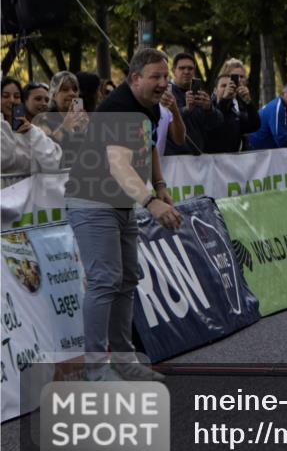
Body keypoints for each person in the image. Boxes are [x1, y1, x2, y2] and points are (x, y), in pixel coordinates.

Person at [64, 48, 183, 381]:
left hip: (120, 203)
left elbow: (148, 150)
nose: (163, 83)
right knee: (104, 281)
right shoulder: (118, 108)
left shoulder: (151, 108)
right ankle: (96, 370)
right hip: (91, 201)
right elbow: (118, 165)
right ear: (135, 79)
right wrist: (151, 203)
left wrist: (160, 185)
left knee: (127, 278)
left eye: (165, 77)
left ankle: (124, 358)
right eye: (155, 77)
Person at [1, 77, 63, 187]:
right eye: (5, 96)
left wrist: (31, 132)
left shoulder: (32, 131)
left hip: (32, 199)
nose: (11, 100)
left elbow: (53, 163)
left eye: (16, 96)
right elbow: (5, 158)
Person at [165, 52, 223, 155]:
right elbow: (165, 120)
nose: (186, 72)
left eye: (190, 68)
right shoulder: (166, 92)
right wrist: (186, 109)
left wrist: (209, 109)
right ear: (174, 71)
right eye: (182, 68)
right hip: (173, 158)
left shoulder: (200, 94)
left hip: (197, 158)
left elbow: (216, 124)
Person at [206, 75, 261, 153]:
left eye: (231, 85)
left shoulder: (235, 113)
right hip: (212, 162)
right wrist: (224, 99)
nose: (228, 88)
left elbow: (255, 125)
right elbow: (216, 122)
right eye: (223, 86)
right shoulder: (207, 110)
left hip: (233, 162)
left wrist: (248, 102)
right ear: (215, 91)